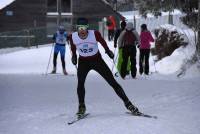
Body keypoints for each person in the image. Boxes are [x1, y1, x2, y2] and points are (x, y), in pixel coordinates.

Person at [69, 17, 140, 116]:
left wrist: (108, 50)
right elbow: (73, 47)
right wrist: (74, 56)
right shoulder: (73, 37)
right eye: (80, 28)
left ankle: (128, 104)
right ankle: (81, 106)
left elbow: (102, 42)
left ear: (87, 28)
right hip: (83, 62)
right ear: (77, 28)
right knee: (80, 83)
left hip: (97, 60)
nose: (82, 31)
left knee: (112, 82)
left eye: (84, 28)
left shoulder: (94, 34)